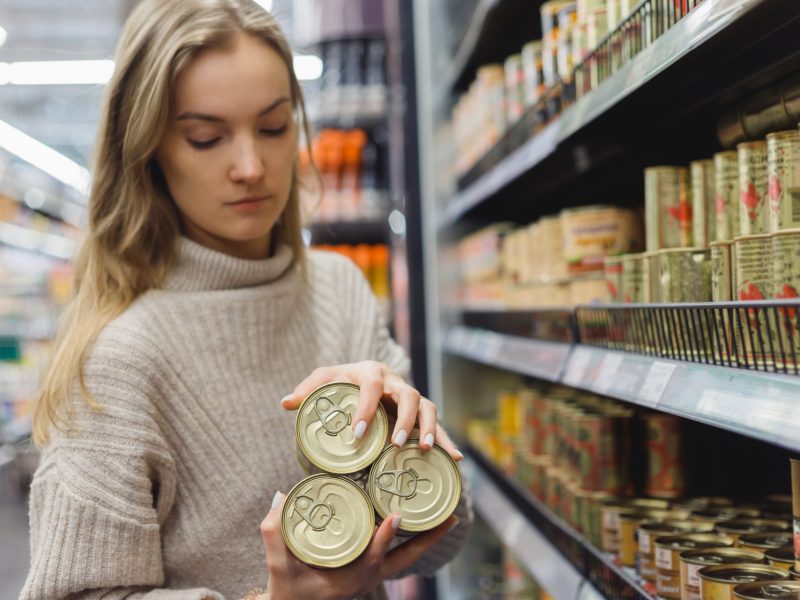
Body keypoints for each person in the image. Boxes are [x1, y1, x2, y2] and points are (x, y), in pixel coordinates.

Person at [19, 1, 471, 598]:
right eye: (206, 138)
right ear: (148, 150)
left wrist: (411, 451)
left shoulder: (338, 290)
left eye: (274, 126)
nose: (252, 167)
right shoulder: (117, 359)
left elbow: (445, 535)